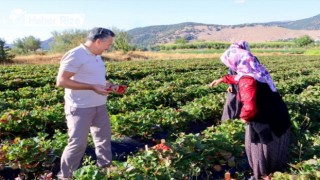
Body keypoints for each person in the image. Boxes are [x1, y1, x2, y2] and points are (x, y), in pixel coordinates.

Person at [209, 41, 291, 180]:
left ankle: (262, 175)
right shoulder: (257, 71)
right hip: (278, 115)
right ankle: (274, 171)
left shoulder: (247, 81)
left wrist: (243, 119)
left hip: (264, 121)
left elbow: (249, 107)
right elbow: (239, 77)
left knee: (258, 148)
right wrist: (223, 79)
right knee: (275, 147)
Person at [56, 27, 127, 179]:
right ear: (98, 41)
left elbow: (97, 80)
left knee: (103, 139)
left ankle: (105, 169)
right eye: (108, 44)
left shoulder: (96, 56)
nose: (109, 47)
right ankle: (66, 176)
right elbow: (61, 81)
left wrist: (111, 86)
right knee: (77, 144)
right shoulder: (75, 54)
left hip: (99, 105)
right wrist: (91, 87)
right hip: (80, 107)